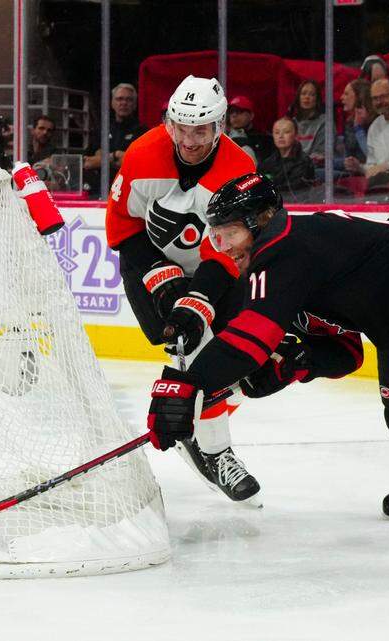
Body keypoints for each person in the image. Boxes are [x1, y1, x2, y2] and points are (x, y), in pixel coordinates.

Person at [145, 172, 389, 566]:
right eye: (216, 237)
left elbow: (251, 337)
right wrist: (293, 364)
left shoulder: (283, 248)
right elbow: (346, 352)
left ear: (260, 221)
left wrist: (186, 383)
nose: (223, 248)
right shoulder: (282, 264)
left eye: (228, 234)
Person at [105, 75, 261, 504]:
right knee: (191, 346)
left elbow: (233, 247)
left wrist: (200, 298)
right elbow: (122, 227)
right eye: (182, 128)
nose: (190, 140)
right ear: (170, 124)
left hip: (215, 266)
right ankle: (214, 447)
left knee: (230, 354)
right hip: (149, 260)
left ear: (219, 127)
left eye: (201, 129)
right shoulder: (141, 155)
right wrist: (161, 276)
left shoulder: (238, 170)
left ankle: (207, 438)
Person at [346, 79, 389, 189]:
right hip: (380, 185)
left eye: (383, 96)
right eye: (375, 98)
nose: (379, 102)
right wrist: (359, 167)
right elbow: (373, 167)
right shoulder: (374, 127)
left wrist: (388, 166)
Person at [84, 82, 149, 188]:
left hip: (129, 189)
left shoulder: (143, 132)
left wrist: (101, 159)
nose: (124, 103)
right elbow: (87, 162)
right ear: (112, 103)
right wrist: (115, 156)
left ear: (135, 105)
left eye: (129, 100)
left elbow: (138, 163)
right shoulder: (102, 129)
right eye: (119, 99)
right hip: (101, 188)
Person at [257, 118, 316, 200]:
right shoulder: (267, 163)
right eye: (277, 132)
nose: (280, 136)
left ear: (296, 135)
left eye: (286, 132)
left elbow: (295, 190)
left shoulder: (304, 162)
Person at [336, 79, 372, 177]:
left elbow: (372, 157)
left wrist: (359, 129)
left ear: (359, 96)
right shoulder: (349, 122)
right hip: (352, 171)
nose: (341, 98)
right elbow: (348, 157)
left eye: (346, 94)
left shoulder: (375, 122)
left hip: (370, 173)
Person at [225, 95, 272, 163]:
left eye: (239, 111)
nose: (234, 115)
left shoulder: (263, 139)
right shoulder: (223, 137)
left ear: (251, 115)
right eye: (231, 112)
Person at [288, 80, 325, 165]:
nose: (307, 97)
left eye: (312, 94)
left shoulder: (324, 122)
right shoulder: (292, 123)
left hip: (315, 167)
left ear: (317, 99)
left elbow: (320, 153)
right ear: (298, 97)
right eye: (303, 93)